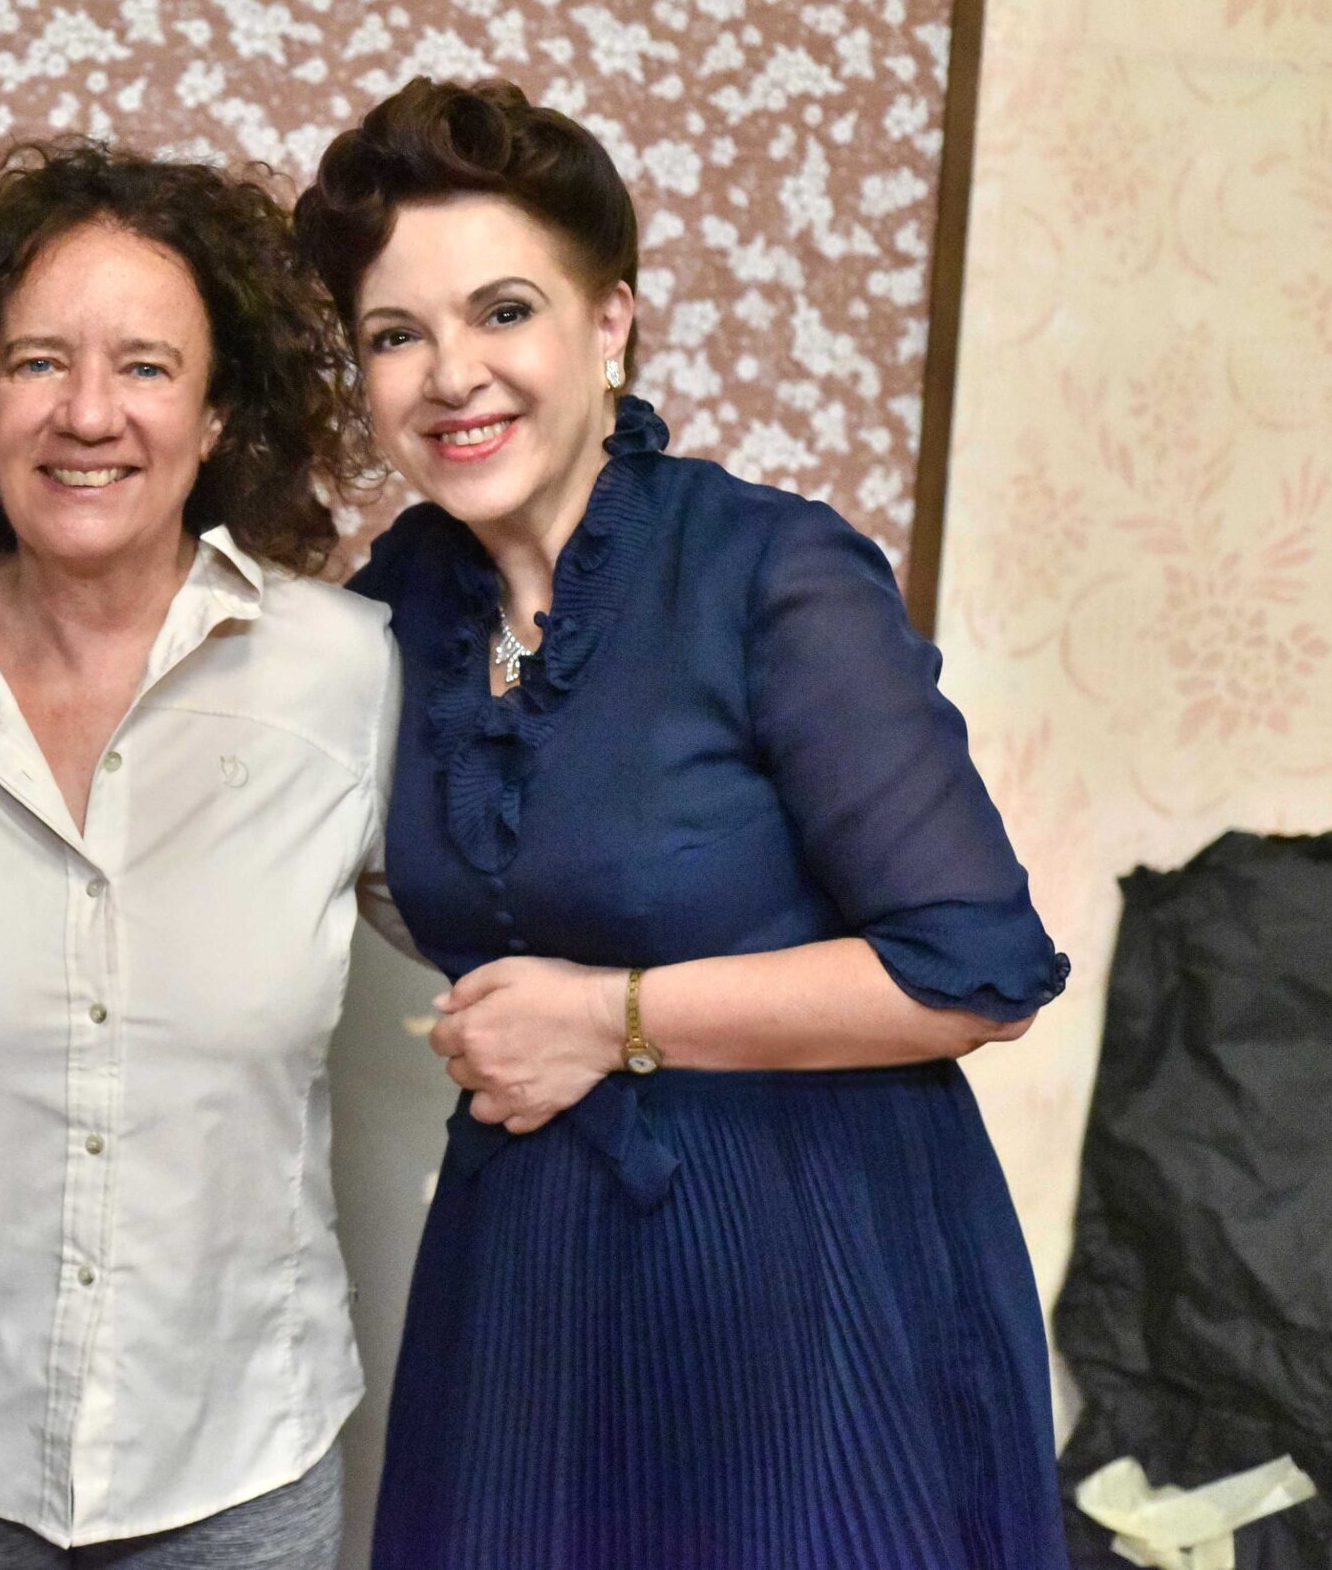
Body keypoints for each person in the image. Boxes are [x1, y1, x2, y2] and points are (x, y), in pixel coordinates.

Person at [293, 77, 1072, 1569]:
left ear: (612, 325)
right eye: (396, 336)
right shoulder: (396, 610)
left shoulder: (769, 573)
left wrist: (611, 1016)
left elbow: (975, 970)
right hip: (527, 1292)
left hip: (807, 1290)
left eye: (504, 311)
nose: (452, 375)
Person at [0, 141, 392, 1568]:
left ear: (216, 416)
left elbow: (530, 911)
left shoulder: (349, 677)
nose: (88, 413)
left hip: (239, 1467)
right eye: (38, 362)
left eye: (146, 366)